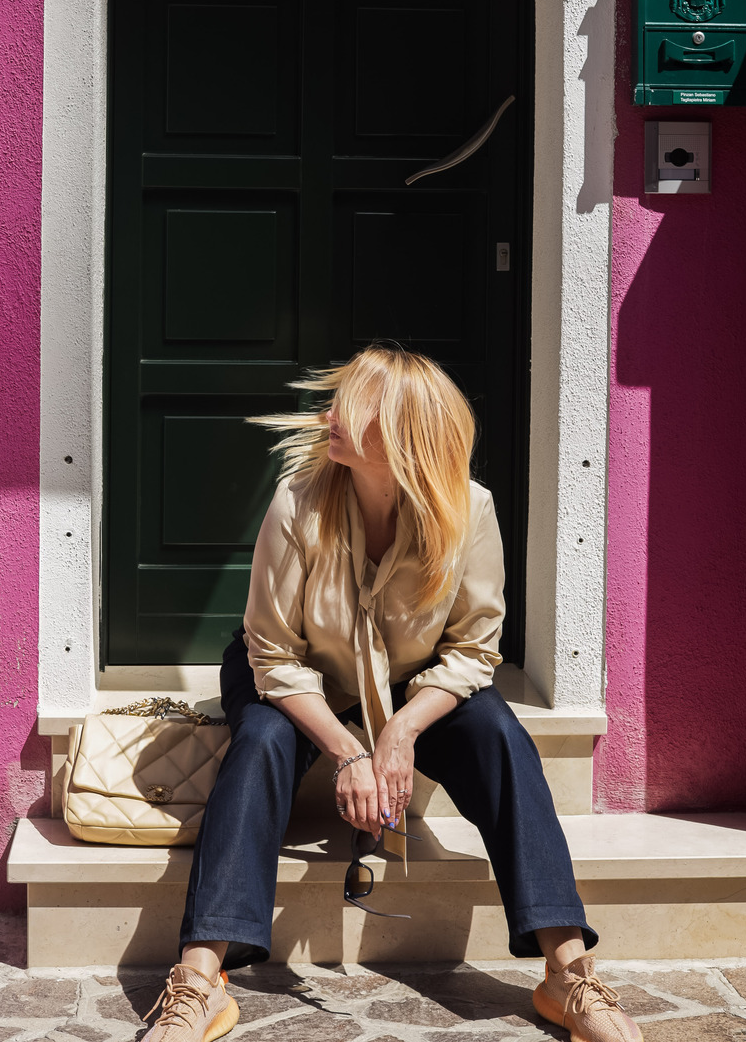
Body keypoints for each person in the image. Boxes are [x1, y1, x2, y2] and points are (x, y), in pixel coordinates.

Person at [143, 344, 641, 1042]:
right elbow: (272, 652)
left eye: (352, 405)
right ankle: (200, 979)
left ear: (403, 430)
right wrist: (349, 751)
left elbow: (474, 650)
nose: (329, 414)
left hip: (413, 679)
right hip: (297, 674)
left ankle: (566, 972)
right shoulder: (297, 499)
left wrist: (400, 730)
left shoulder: (469, 510)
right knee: (259, 740)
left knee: (500, 734)